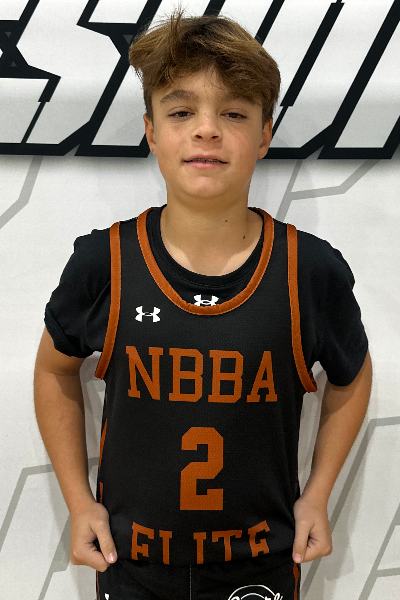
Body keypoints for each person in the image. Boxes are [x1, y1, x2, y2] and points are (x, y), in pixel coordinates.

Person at [34, 7, 372, 600]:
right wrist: (78, 500)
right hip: (131, 563)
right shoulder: (105, 263)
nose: (207, 130)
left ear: (264, 134)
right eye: (181, 111)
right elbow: (53, 370)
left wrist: (318, 492)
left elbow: (353, 373)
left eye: (234, 113)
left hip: (260, 565)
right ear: (152, 132)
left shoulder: (309, 271)